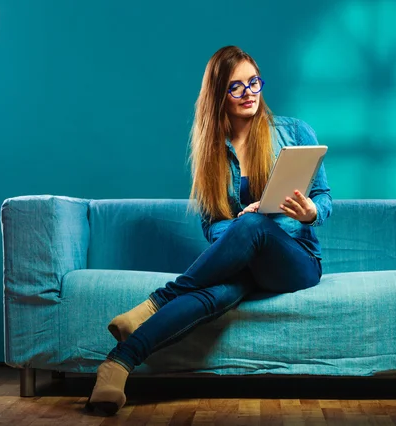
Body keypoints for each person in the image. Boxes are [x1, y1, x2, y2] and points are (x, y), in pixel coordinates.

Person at [84, 45, 332, 416]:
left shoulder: (294, 131)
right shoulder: (212, 150)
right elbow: (212, 225)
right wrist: (238, 232)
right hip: (242, 261)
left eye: (254, 82)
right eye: (236, 87)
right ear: (219, 96)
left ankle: (157, 302)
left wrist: (310, 212)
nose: (249, 93)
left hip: (296, 261)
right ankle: (117, 365)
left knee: (253, 225)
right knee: (217, 292)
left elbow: (324, 197)